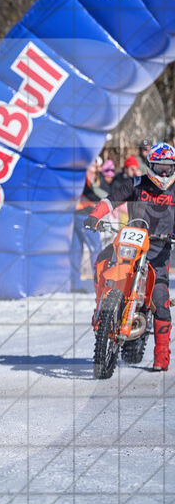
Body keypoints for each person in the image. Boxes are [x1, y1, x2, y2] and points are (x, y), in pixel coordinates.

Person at [84, 143, 175, 371]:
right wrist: (95, 216)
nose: (164, 173)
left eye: (168, 168)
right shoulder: (136, 183)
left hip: (159, 251)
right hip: (132, 246)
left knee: (161, 301)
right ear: (150, 166)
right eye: (160, 167)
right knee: (102, 262)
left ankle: (161, 358)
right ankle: (101, 310)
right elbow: (111, 200)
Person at [73, 161, 107, 292]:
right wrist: (103, 202)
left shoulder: (79, 176)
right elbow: (88, 193)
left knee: (76, 250)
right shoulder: (81, 176)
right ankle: (100, 284)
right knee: (96, 249)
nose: (95, 170)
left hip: (77, 215)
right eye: (93, 166)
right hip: (83, 215)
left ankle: (75, 285)